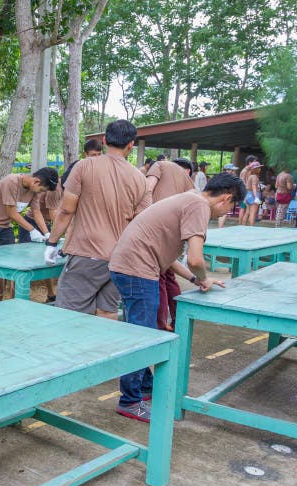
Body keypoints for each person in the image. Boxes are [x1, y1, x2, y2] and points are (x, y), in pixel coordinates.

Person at [108, 172, 245, 422]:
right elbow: (195, 259)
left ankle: (145, 386)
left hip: (130, 266)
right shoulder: (199, 206)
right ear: (227, 199)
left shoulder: (190, 198)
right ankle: (129, 401)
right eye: (232, 207)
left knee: (140, 331)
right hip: (137, 270)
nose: (227, 212)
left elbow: (168, 257)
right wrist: (203, 277)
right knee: (144, 336)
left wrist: (195, 280)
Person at [44, 120, 149, 319]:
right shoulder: (139, 178)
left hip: (87, 253)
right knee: (107, 310)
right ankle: (104, 351)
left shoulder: (84, 166)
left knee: (68, 315)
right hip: (120, 258)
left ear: (104, 140)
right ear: (130, 145)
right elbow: (142, 222)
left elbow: (67, 211)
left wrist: (51, 242)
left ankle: (73, 351)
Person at [18, 139, 102, 303]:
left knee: (50, 261)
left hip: (50, 224)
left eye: (99, 155)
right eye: (93, 155)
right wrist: (49, 235)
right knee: (28, 263)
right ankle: (22, 296)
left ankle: (51, 294)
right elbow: (54, 213)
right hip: (36, 222)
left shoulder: (78, 187)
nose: (96, 158)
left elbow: (69, 218)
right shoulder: (56, 190)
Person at [0, 167, 59, 305]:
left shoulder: (34, 191)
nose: (42, 193)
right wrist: (32, 230)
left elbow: (36, 212)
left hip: (5, 227)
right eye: (42, 190)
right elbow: (11, 211)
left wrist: (47, 234)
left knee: (5, 265)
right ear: (36, 181)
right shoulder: (12, 181)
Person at [146, 157, 195, 331]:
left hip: (155, 230)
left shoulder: (160, 166)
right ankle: (176, 321)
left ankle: (159, 325)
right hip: (175, 235)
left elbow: (148, 188)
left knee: (159, 278)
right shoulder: (190, 186)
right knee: (169, 278)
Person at [240, 161, 262, 226]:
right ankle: (251, 228)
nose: (260, 169)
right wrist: (256, 197)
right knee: (253, 214)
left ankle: (243, 227)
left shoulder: (250, 176)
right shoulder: (255, 177)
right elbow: (254, 187)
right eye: (259, 168)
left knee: (247, 213)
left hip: (248, 195)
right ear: (255, 169)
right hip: (253, 195)